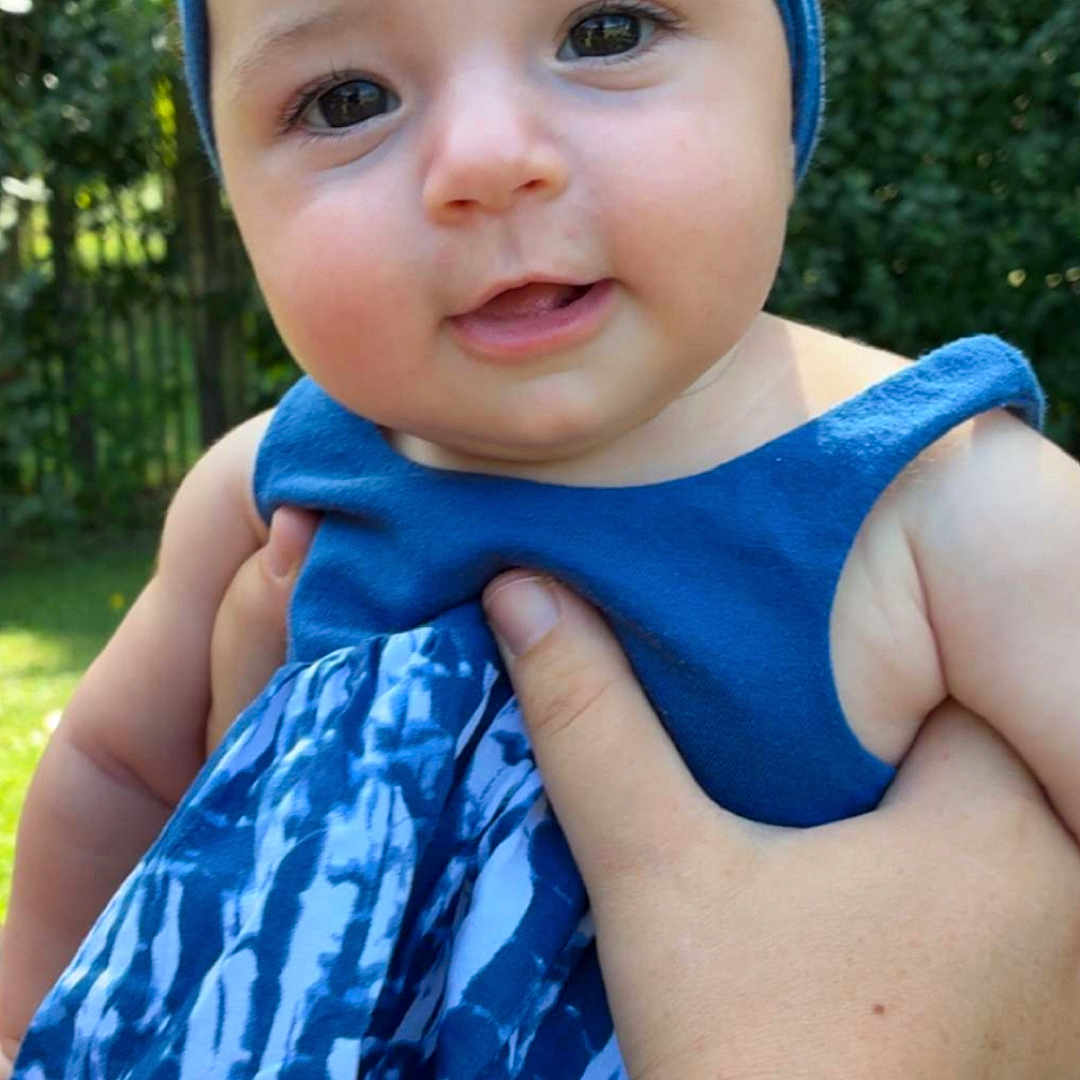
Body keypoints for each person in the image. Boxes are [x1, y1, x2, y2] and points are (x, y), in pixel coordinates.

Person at [3, 0, 1080, 1073]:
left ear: (787, 87)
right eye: (348, 101)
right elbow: (118, 767)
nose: (486, 159)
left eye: (605, 34)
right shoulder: (275, 490)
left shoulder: (955, 506)